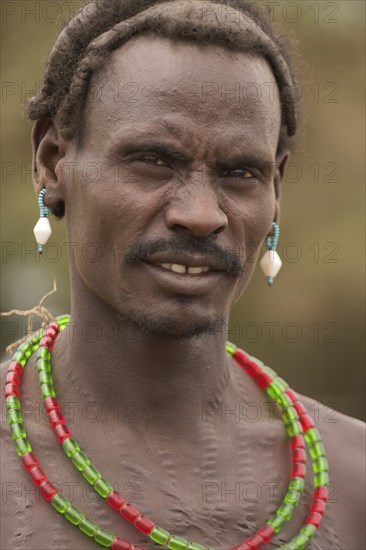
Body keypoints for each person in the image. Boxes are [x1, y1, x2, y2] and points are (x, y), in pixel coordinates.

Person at [1, 1, 364, 549]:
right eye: (153, 160)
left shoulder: (352, 477)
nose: (201, 214)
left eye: (241, 173)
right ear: (54, 161)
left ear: (276, 190)